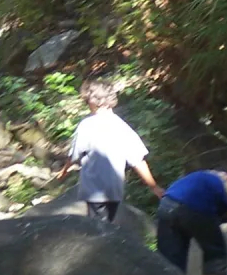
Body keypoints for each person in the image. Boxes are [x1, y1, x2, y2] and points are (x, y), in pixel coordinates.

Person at [60, 79, 162, 223]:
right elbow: (138, 160)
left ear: (93, 101)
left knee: (97, 228)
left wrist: (64, 171)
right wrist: (154, 186)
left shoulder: (86, 125)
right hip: (115, 189)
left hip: (94, 190)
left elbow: (73, 156)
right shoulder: (122, 126)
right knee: (109, 224)